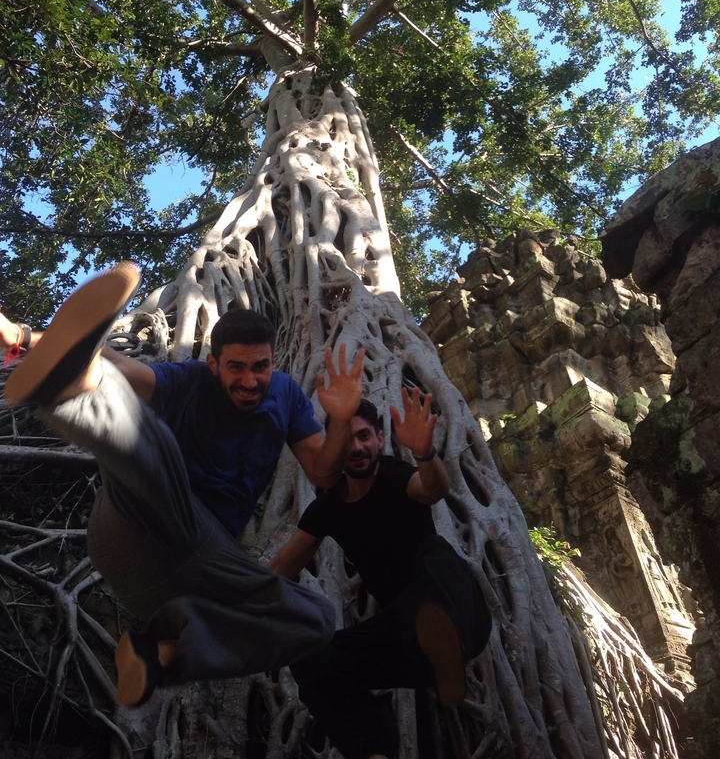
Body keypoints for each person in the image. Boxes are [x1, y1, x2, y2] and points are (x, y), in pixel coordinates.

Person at [1, 262, 365, 708]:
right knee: (152, 445)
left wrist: (343, 419)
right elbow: (121, 364)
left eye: (260, 367)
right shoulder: (188, 380)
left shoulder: (286, 394)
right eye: (236, 367)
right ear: (213, 363)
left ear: (274, 361)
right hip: (138, 520)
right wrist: (21, 337)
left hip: (199, 566)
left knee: (316, 619)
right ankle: (72, 389)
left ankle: (160, 653)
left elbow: (324, 474)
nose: (250, 381)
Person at [267, 390, 492, 759]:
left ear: (381, 440)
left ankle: (447, 649)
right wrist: (219, 592)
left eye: (365, 436)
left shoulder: (399, 477)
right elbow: (277, 571)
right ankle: (373, 751)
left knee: (435, 553)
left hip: (461, 621)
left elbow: (433, 488)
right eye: (347, 438)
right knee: (313, 657)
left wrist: (424, 451)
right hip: (402, 638)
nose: (356, 447)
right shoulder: (327, 508)